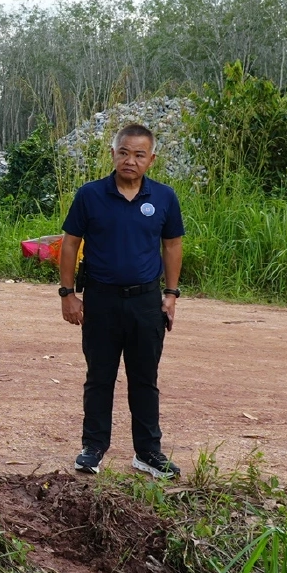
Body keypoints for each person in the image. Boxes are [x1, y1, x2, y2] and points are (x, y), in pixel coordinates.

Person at [58, 123, 184, 481]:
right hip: (101, 300)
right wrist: (68, 294)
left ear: (151, 159)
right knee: (99, 376)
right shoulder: (90, 195)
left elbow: (172, 244)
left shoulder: (164, 198)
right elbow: (70, 243)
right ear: (113, 154)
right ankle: (93, 448)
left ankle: (148, 453)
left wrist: (171, 295)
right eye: (124, 152)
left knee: (145, 378)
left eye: (139, 154)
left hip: (146, 301)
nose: (130, 160)